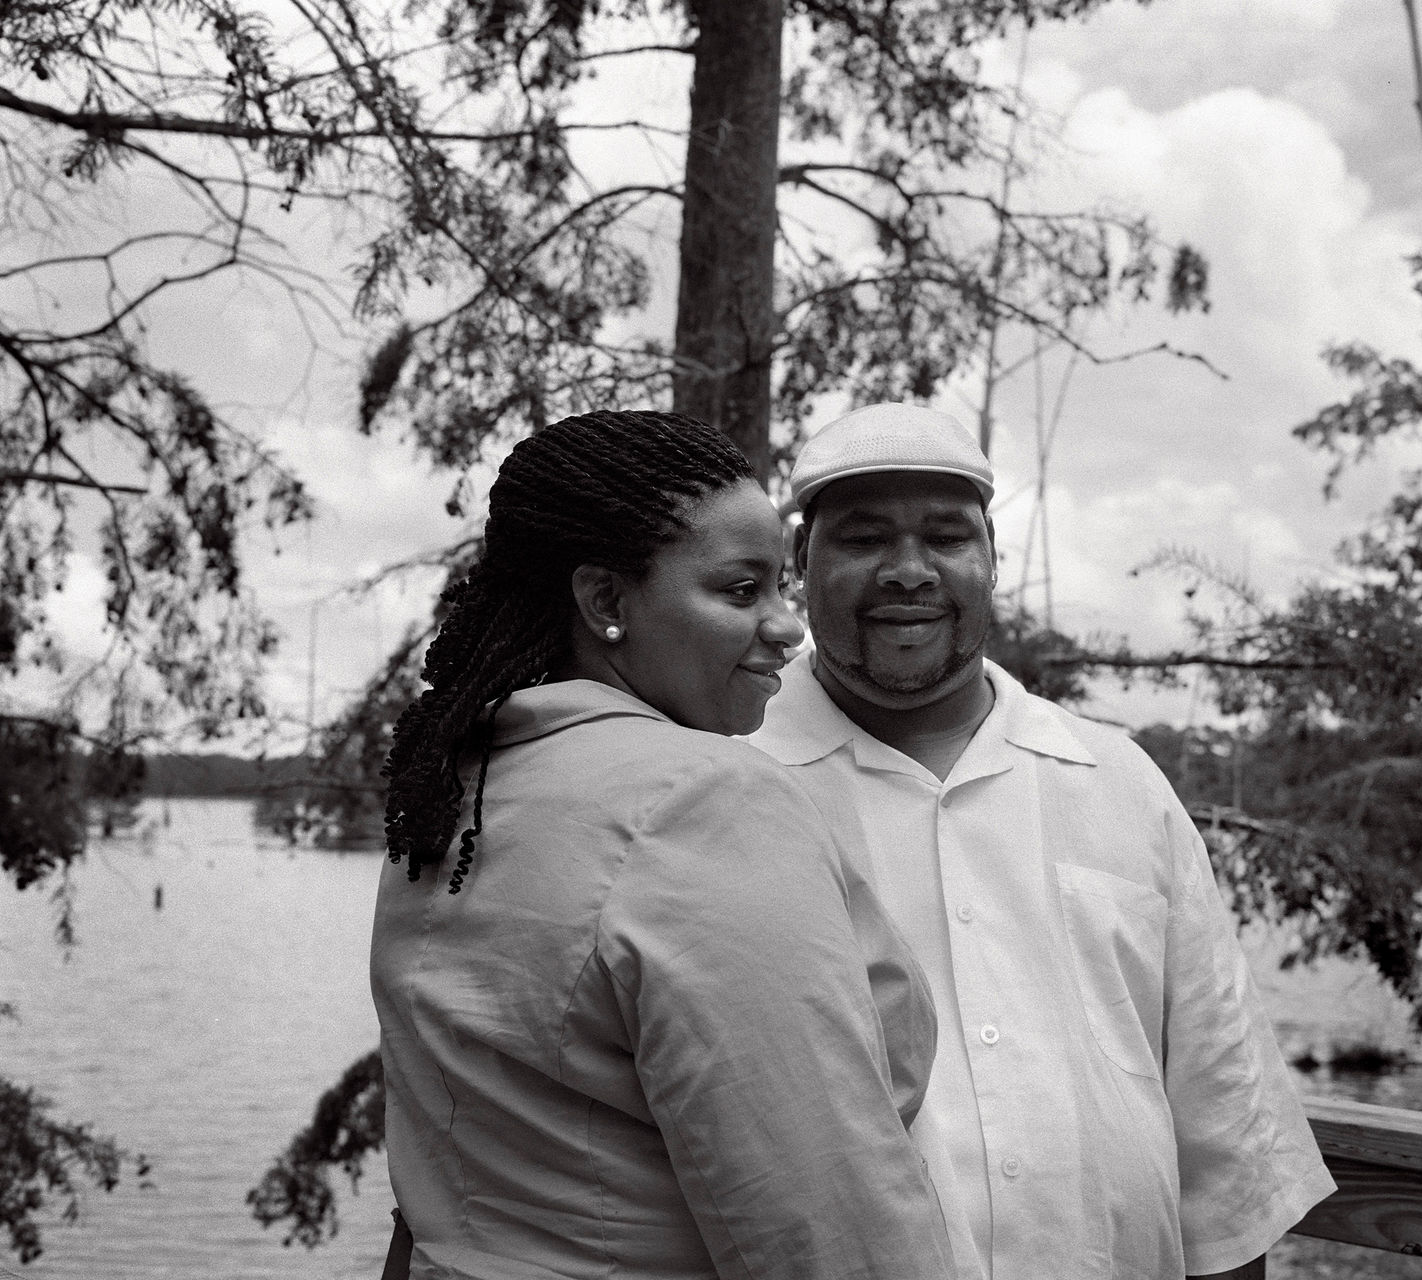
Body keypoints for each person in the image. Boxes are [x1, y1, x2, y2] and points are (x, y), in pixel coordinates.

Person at [749, 403, 1337, 1280]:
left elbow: (1223, 1134)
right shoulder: (725, 783)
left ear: (991, 556)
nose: (908, 571)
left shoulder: (1120, 783)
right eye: (864, 538)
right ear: (801, 563)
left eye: (946, 536)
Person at [372, 409, 956, 1280]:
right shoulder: (702, 802)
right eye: (741, 591)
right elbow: (825, 1217)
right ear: (607, 601)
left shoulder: (455, 794)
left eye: (781, 588)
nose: (787, 627)